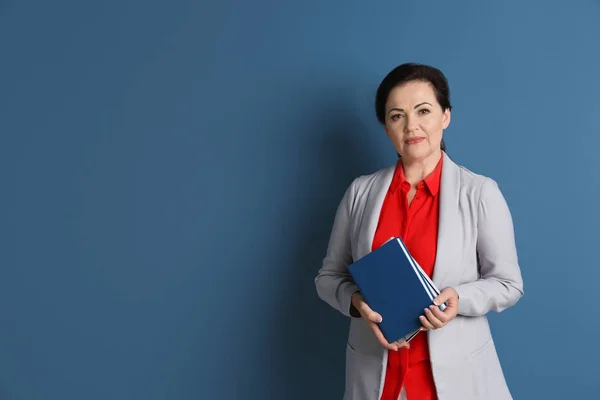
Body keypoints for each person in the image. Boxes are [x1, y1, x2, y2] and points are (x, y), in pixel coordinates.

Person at [314, 63, 524, 400]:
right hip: (376, 374)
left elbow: (509, 284)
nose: (411, 125)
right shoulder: (360, 193)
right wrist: (356, 302)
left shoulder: (480, 192)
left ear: (445, 116)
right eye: (396, 115)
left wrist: (461, 298)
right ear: (385, 127)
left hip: (455, 377)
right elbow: (328, 277)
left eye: (423, 111)